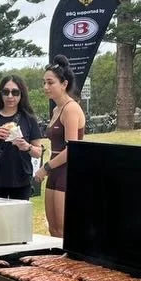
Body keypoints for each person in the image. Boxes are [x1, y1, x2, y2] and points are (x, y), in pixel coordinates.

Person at [34, 55, 85, 238]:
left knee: (64, 230)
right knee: (53, 229)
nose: (46, 87)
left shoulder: (71, 109)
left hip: (66, 171)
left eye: (50, 82)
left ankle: (71, 265)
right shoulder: (56, 109)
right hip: (54, 171)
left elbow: (72, 148)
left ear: (64, 84)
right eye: (44, 83)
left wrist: (46, 168)